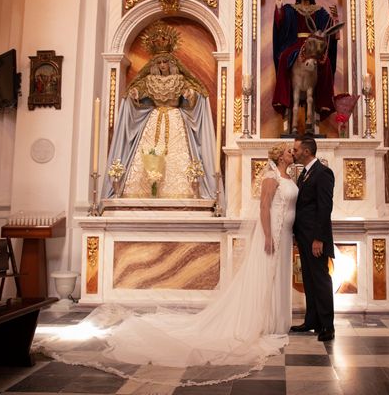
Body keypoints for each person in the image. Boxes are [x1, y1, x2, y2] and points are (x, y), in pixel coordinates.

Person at [35, 142, 298, 386]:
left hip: (284, 234)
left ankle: (275, 321)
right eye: (287, 151)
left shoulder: (289, 176)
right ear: (277, 156)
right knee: (265, 276)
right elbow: (264, 208)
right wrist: (266, 236)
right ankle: (264, 323)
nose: (291, 153)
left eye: (292, 151)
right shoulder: (270, 177)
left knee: (278, 276)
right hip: (272, 234)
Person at [101, 21, 217, 199]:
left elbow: (195, 94)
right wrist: (134, 94)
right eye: (160, 62)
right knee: (149, 152)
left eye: (165, 62)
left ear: (171, 63)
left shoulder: (179, 79)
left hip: (176, 119)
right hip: (153, 120)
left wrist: (190, 95)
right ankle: (143, 192)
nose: (163, 65)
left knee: (176, 156)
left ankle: (185, 192)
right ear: (155, 64)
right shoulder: (149, 80)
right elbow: (139, 92)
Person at [272, 0, 339, 127]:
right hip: (296, 43)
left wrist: (335, 18)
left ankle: (323, 102)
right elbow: (280, 21)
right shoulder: (291, 9)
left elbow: (331, 31)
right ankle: (282, 98)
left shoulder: (320, 11)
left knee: (326, 62)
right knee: (283, 57)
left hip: (315, 45)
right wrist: (278, 0)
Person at [290, 135, 335, 341]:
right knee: (309, 280)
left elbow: (325, 208)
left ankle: (327, 326)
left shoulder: (323, 173)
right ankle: (312, 320)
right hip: (304, 235)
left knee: (320, 279)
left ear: (307, 152)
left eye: (296, 149)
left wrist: (319, 238)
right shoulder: (305, 174)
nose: (294, 152)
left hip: (315, 238)